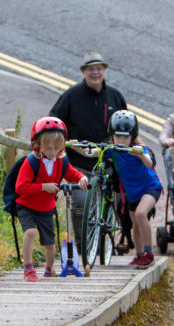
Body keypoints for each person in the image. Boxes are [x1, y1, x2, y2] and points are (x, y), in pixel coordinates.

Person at [49, 51, 127, 251]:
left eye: (99, 68)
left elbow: (127, 128)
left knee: (122, 203)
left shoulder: (115, 97)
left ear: (104, 70)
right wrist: (64, 143)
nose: (95, 73)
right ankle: (85, 249)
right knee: (81, 206)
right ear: (84, 72)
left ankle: (109, 244)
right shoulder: (71, 96)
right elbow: (54, 123)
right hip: (79, 165)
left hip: (108, 164)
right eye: (90, 69)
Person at [15, 117, 88, 282]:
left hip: (46, 207)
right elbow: (20, 188)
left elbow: (71, 174)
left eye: (57, 148)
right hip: (27, 205)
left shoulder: (60, 162)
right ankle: (28, 268)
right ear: (38, 145)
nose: (52, 152)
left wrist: (81, 178)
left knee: (49, 243)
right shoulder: (31, 162)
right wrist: (43, 187)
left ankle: (49, 269)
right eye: (48, 148)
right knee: (30, 232)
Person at [106, 110, 162, 268]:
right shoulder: (113, 150)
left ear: (132, 137)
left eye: (125, 137)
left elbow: (149, 163)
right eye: (117, 136)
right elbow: (95, 153)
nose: (121, 140)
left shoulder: (138, 149)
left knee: (140, 213)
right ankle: (139, 255)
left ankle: (149, 253)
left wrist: (140, 155)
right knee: (135, 225)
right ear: (112, 136)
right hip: (133, 194)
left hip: (150, 188)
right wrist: (78, 148)